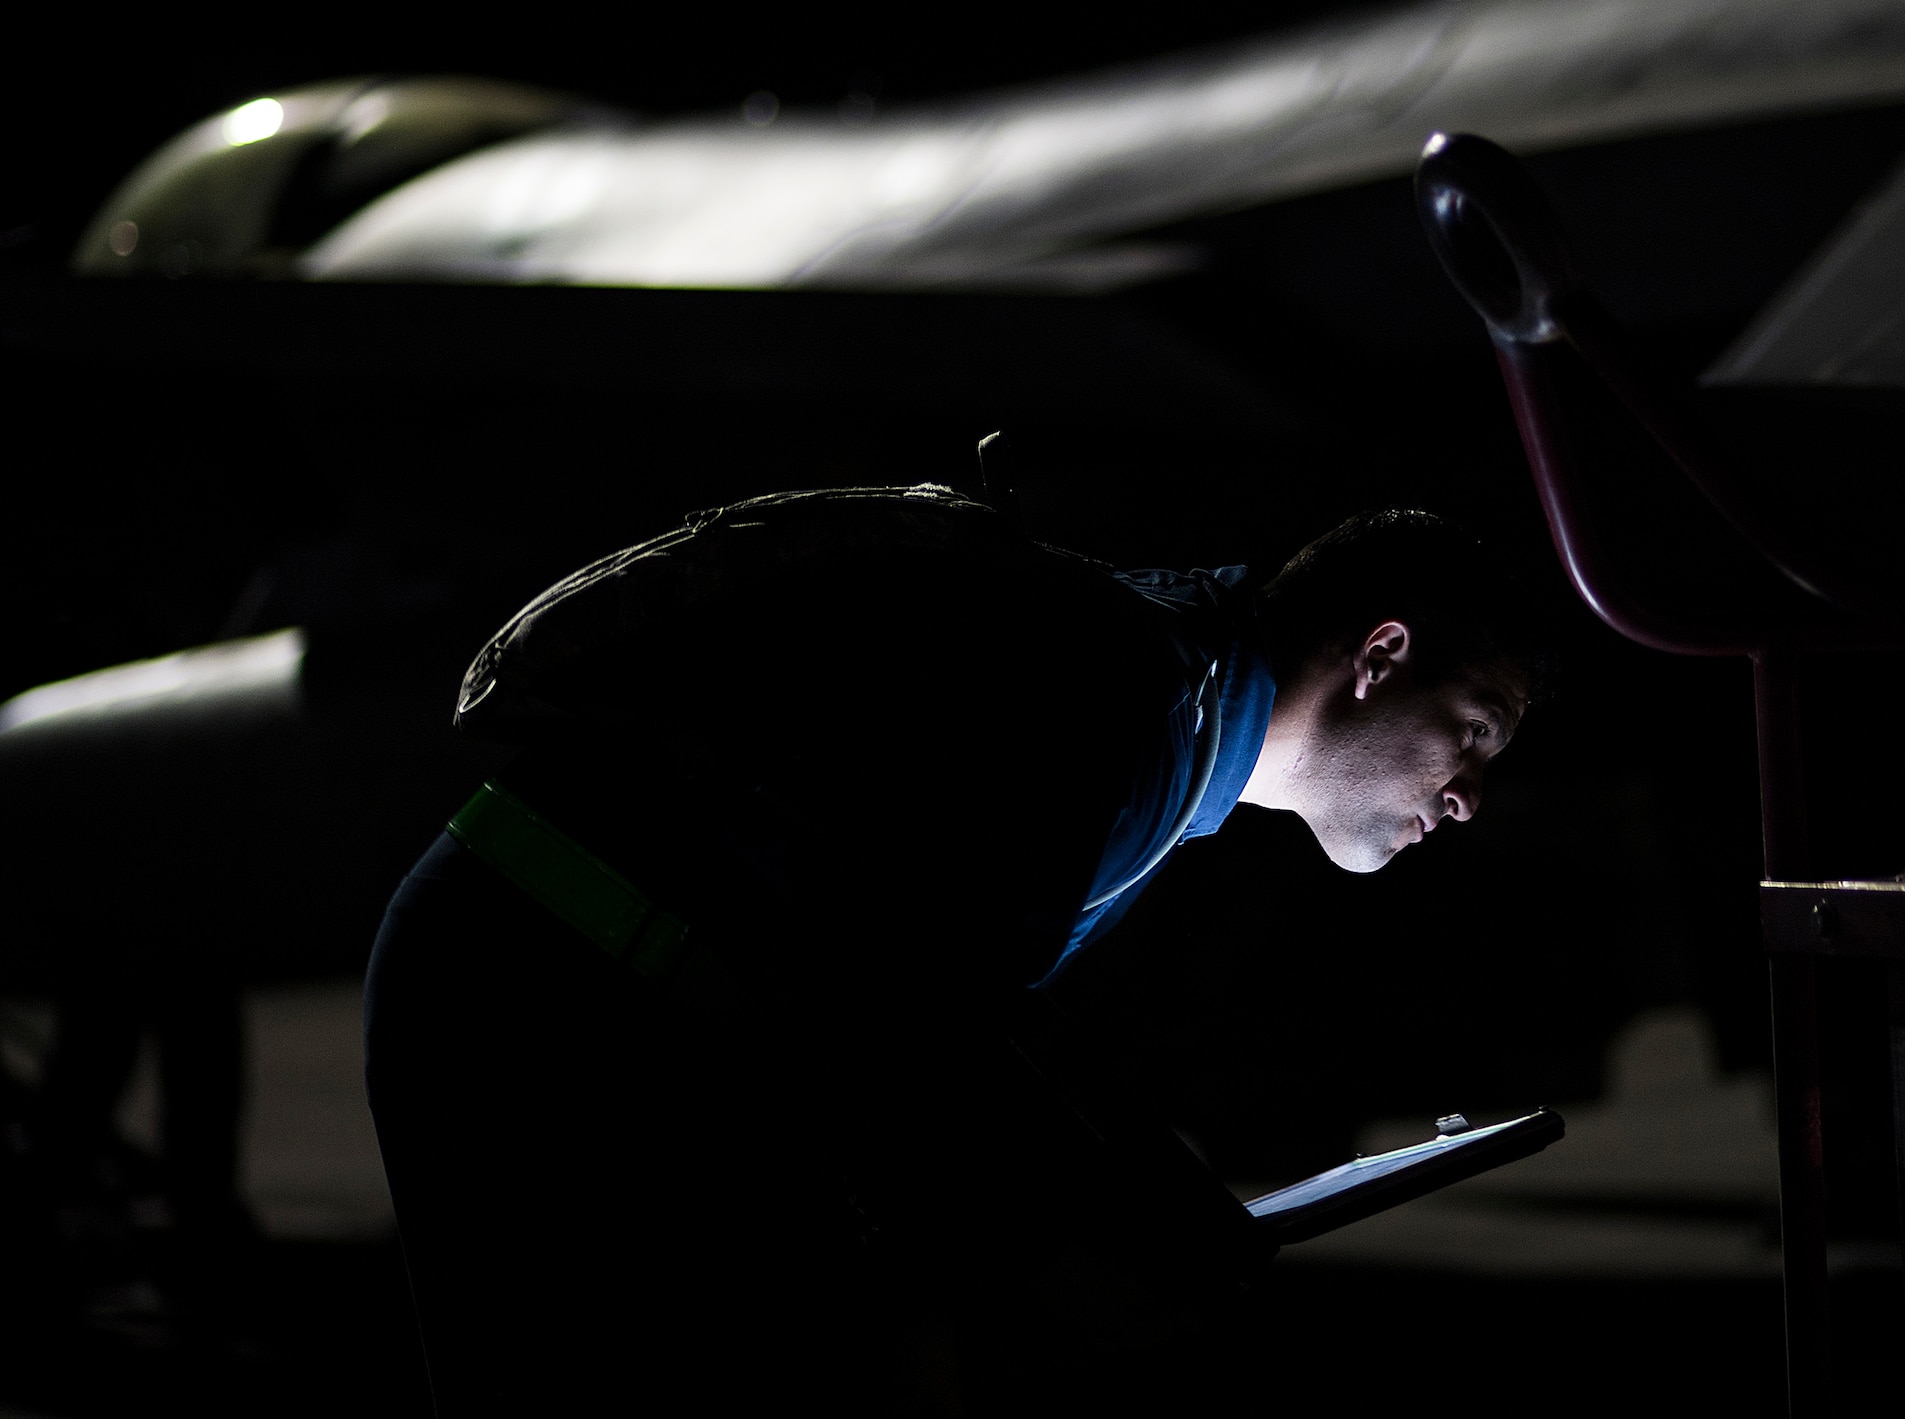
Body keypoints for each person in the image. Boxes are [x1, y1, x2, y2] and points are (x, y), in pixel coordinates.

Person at [361, 484, 1546, 1416]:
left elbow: (916, 1018)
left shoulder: (1160, 705)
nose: (1468, 798)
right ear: (1379, 655)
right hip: (541, 986)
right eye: (1474, 731)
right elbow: (901, 1047)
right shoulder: (1125, 706)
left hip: (554, 972)